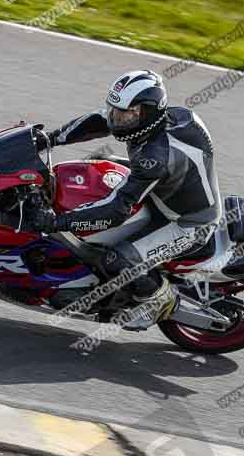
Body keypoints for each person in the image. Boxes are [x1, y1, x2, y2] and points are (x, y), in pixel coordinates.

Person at [26, 69, 222, 330]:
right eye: (115, 110)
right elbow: (98, 121)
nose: (116, 120)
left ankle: (158, 299)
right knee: (95, 164)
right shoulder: (170, 117)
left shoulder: (155, 157)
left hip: (187, 222)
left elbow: (115, 211)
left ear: (147, 113)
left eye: (125, 115)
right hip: (165, 190)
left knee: (117, 260)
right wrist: (51, 139)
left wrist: (57, 222)